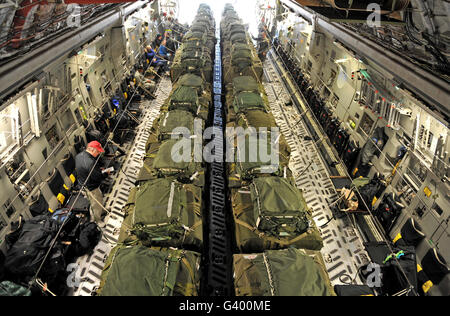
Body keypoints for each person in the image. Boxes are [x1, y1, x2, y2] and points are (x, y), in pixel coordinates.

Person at [75, 141, 110, 228]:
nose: (98, 154)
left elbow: (86, 170)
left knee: (99, 198)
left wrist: (97, 169)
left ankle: (101, 211)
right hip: (90, 187)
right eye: (98, 152)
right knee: (95, 204)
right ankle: (96, 220)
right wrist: (106, 173)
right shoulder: (90, 162)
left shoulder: (79, 156)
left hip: (83, 183)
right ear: (93, 150)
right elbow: (97, 177)